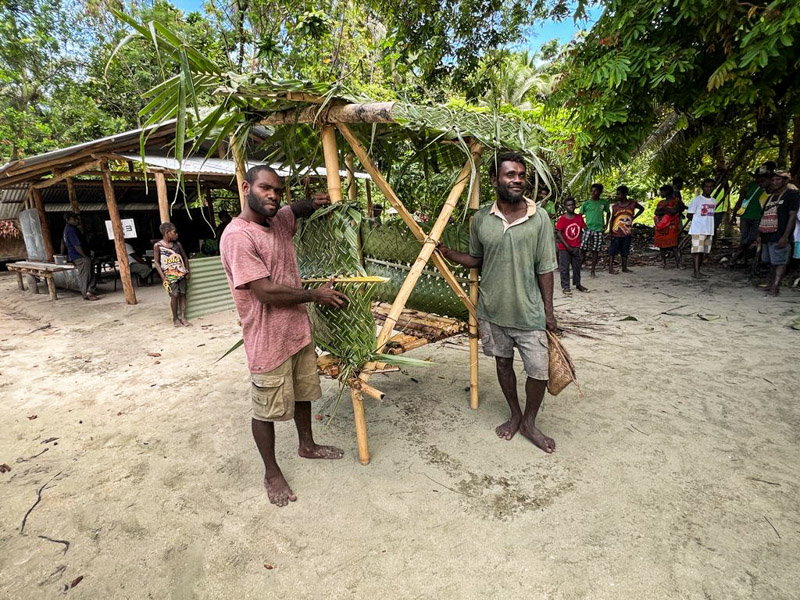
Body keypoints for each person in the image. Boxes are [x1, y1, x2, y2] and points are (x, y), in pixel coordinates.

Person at [220, 165, 349, 507]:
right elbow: (265, 292)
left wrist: (316, 201)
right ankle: (271, 472)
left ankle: (307, 445)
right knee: (265, 410)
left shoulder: (278, 221)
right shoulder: (238, 237)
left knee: (303, 393)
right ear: (246, 187)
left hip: (296, 332)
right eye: (265, 189)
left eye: (278, 190)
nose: (273, 196)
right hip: (267, 340)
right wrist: (314, 295)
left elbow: (298, 209)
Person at [439, 152, 558, 453]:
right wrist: (447, 254)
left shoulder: (539, 217)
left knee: (538, 371)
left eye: (521, 174)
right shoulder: (481, 219)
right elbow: (477, 259)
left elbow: (545, 267)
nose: (517, 179)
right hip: (492, 310)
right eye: (510, 174)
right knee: (503, 365)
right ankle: (515, 414)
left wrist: (549, 311)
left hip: (528, 312)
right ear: (494, 180)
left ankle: (530, 421)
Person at [758, 170, 799, 296]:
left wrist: (785, 236)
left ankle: (776, 286)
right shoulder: (771, 197)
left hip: (780, 233)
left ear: (786, 181)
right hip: (767, 233)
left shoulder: (791, 195)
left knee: (780, 261)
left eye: (778, 180)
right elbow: (763, 215)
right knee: (769, 260)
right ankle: (771, 282)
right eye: (773, 180)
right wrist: (759, 235)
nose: (774, 182)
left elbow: (792, 216)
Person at [730, 165, 771, 267]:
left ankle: (736, 257)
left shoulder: (770, 187)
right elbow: (740, 201)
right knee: (744, 238)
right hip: (745, 216)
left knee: (751, 238)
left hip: (759, 217)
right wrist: (734, 215)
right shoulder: (749, 186)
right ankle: (743, 259)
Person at [153, 223, 192, 327]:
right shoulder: (158, 246)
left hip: (181, 274)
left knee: (183, 294)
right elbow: (156, 262)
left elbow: (185, 258)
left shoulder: (177, 245)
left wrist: (187, 271)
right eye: (174, 232)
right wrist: (163, 277)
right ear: (167, 233)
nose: (177, 234)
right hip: (169, 275)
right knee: (174, 295)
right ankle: (175, 318)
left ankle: (183, 317)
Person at [60, 212, 98, 301]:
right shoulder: (71, 230)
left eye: (77, 218)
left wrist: (62, 254)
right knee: (85, 275)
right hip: (78, 257)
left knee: (91, 272)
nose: (77, 220)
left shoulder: (69, 229)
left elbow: (63, 243)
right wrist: (84, 256)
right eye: (74, 219)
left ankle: (90, 291)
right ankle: (86, 293)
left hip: (77, 256)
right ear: (68, 219)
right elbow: (76, 245)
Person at [554, 197, 588, 295]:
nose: (571, 207)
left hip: (576, 246)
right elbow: (559, 233)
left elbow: (582, 229)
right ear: (565, 207)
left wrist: (579, 243)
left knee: (576, 266)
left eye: (572, 204)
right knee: (564, 267)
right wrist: (567, 246)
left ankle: (578, 284)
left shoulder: (579, 217)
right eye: (568, 205)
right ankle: (565, 286)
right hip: (564, 247)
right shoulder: (563, 219)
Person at [608, 185, 644, 274]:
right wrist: (610, 231)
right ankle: (610, 268)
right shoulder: (615, 206)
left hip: (627, 232)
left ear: (625, 194)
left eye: (619, 194)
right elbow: (612, 218)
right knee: (613, 251)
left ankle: (624, 267)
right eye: (617, 194)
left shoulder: (632, 204)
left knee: (625, 250)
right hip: (616, 232)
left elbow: (642, 209)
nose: (617, 196)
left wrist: (634, 217)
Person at [687, 179, 717, 278]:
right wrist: (698, 222)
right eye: (706, 186)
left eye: (711, 186)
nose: (709, 188)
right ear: (703, 187)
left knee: (703, 252)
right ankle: (696, 272)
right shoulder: (697, 200)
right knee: (697, 251)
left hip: (709, 229)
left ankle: (697, 271)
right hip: (698, 230)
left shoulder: (713, 200)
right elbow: (689, 215)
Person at [578, 183, 610, 277]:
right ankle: (578, 270)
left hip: (599, 230)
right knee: (583, 250)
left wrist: (606, 225)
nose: (593, 193)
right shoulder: (586, 203)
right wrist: (583, 226)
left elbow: (608, 213)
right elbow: (580, 216)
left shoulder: (603, 203)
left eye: (595, 191)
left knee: (595, 251)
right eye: (592, 191)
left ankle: (592, 271)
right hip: (588, 229)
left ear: (600, 192)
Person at [653, 184, 684, 268]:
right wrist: (668, 210)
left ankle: (679, 263)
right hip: (661, 227)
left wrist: (663, 209)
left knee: (674, 246)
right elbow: (656, 212)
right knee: (662, 246)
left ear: (667, 192)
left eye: (662, 191)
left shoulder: (676, 200)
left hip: (672, 227)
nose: (660, 193)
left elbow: (675, 210)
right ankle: (664, 263)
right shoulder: (661, 202)